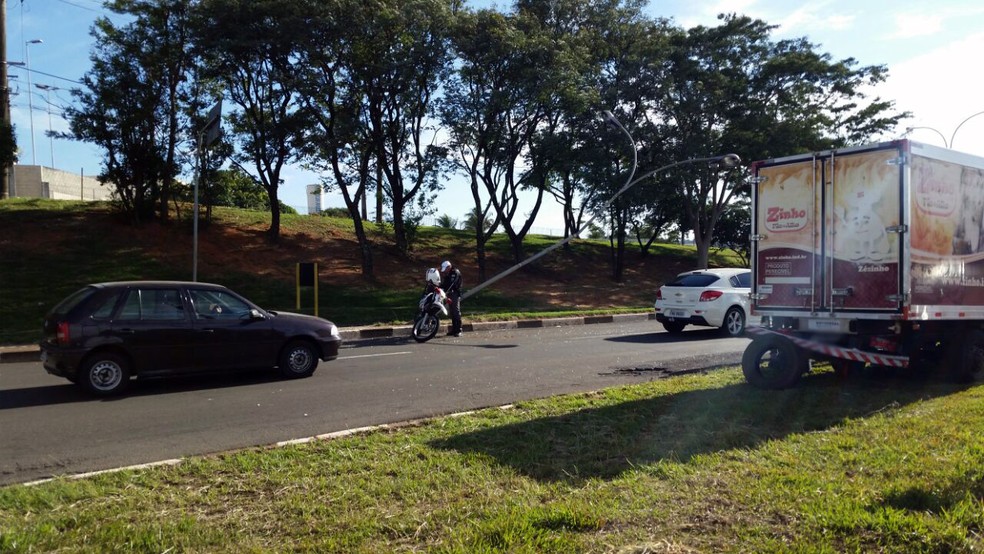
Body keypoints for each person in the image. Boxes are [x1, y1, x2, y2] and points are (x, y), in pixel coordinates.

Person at [440, 260, 462, 336]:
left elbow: (451, 284)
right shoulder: (448, 274)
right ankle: (454, 329)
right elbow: (445, 284)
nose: (444, 271)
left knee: (456, 311)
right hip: (449, 293)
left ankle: (459, 330)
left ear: (449, 267)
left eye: (445, 269)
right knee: (452, 312)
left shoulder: (455, 272)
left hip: (455, 293)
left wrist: (445, 290)